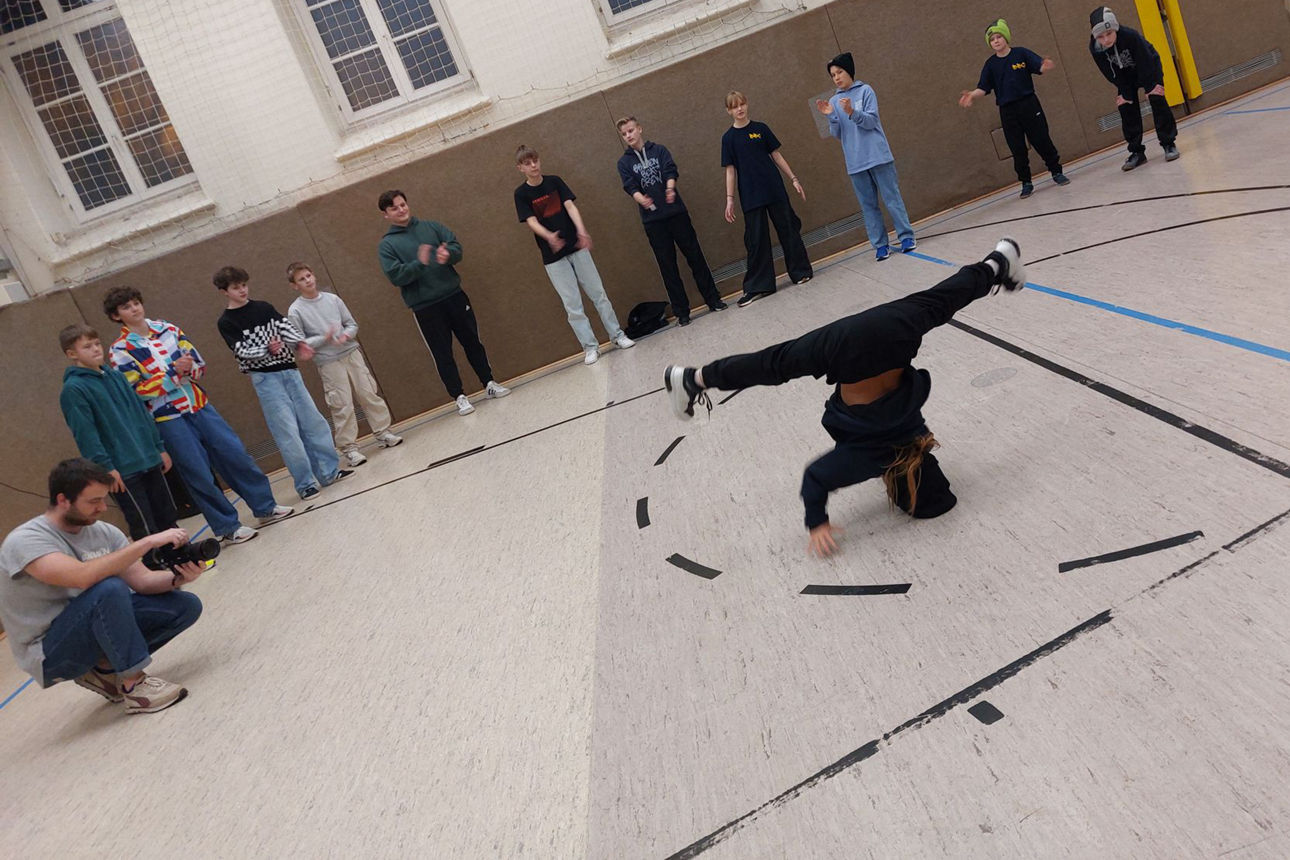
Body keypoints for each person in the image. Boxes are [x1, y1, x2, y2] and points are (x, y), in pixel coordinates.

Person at [663, 238, 1027, 557]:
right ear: (892, 481)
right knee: (773, 364)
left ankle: (996, 263)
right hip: (845, 350)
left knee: (942, 299)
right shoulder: (871, 459)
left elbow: (914, 452)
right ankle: (692, 380)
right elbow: (815, 479)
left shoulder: (915, 433)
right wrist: (816, 524)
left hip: (893, 329)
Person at [0, 459, 204, 714]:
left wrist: (178, 578)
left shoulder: (104, 532)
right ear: (63, 500)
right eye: (93, 501)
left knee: (184, 605)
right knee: (108, 588)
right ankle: (134, 687)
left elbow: (142, 581)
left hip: (88, 625)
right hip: (48, 652)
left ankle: (104, 669)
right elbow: (82, 577)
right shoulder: (26, 540)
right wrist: (145, 543)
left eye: (103, 499)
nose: (102, 508)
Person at [105, 287, 293, 544]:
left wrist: (188, 369)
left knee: (235, 454)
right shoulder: (120, 350)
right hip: (168, 418)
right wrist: (173, 374)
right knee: (198, 473)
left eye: (136, 303)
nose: (135, 309)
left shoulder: (169, 329)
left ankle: (265, 507)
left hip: (199, 405)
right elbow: (137, 390)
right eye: (127, 307)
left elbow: (198, 363)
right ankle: (227, 527)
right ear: (117, 316)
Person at [214, 266, 353, 500]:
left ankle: (329, 472)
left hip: (290, 371)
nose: (242, 291)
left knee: (314, 422)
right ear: (224, 292)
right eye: (236, 288)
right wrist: (267, 349)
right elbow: (241, 352)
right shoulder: (226, 322)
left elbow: (285, 328)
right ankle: (305, 483)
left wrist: (300, 344)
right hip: (266, 379)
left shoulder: (263, 308)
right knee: (287, 432)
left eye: (244, 285)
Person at [376, 190, 510, 415]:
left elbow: (456, 247)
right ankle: (459, 396)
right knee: (442, 352)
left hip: (454, 296)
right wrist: (419, 263)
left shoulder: (431, 227)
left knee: (472, 341)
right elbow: (395, 276)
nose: (401, 210)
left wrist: (448, 253)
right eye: (394, 208)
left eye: (403, 205)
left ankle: (489, 383)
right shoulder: (387, 245)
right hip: (425, 307)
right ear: (386, 214)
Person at [58, 323, 178, 567]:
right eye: (87, 346)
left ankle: (180, 558)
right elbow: (86, 434)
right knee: (142, 522)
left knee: (166, 513)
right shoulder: (74, 389)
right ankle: (155, 567)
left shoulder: (115, 375)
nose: (95, 350)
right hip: (121, 469)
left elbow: (141, 413)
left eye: (97, 343)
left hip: (147, 456)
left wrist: (158, 446)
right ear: (72, 354)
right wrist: (105, 468)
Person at [514, 145, 635, 364]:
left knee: (598, 294)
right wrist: (549, 236)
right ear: (520, 168)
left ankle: (617, 335)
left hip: (576, 247)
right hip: (553, 258)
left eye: (535, 160)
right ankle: (590, 347)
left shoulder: (555, 182)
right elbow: (530, 221)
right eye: (528, 163)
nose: (533, 166)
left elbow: (570, 207)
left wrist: (581, 230)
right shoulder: (521, 194)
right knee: (572, 304)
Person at [286, 262, 403, 466]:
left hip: (351, 353)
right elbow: (299, 343)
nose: (308, 281)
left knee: (368, 393)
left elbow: (351, 324)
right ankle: (349, 448)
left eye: (308, 276)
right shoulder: (296, 310)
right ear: (294, 285)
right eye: (302, 279)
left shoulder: (332, 299)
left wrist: (345, 335)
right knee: (342, 404)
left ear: (313, 275)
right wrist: (325, 337)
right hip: (329, 362)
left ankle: (383, 432)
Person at [614, 116, 727, 326]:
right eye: (624, 133)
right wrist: (642, 199)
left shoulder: (659, 150)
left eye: (630, 130)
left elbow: (670, 170)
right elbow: (630, 187)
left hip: (676, 214)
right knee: (668, 267)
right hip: (653, 222)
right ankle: (682, 312)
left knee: (695, 256)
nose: (628, 135)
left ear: (639, 128)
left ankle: (713, 299)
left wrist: (669, 188)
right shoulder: (624, 162)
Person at [814, 53, 917, 259]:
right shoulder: (834, 100)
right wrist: (831, 116)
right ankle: (880, 245)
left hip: (878, 156)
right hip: (855, 163)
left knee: (892, 198)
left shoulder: (866, 91)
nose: (836, 77)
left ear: (849, 71)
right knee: (868, 206)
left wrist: (852, 111)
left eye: (839, 72)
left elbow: (870, 122)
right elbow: (837, 134)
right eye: (833, 75)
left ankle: (906, 236)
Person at [959, 20, 1071, 198]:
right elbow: (984, 88)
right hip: (1008, 110)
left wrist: (1044, 66)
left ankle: (1056, 171)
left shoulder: (1021, 54)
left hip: (1029, 104)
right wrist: (972, 95)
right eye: (992, 39)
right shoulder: (990, 65)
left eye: (999, 37)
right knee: (1017, 147)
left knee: (1041, 139)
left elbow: (1039, 65)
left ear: (1006, 37)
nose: (996, 41)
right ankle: (1026, 182)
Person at [721, 91, 812, 305]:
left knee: (789, 230)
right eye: (734, 107)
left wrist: (794, 179)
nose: (740, 109)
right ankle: (759, 286)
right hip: (751, 196)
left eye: (742, 104)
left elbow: (776, 155)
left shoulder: (761, 129)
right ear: (729, 111)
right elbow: (730, 170)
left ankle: (800, 272)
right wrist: (730, 199)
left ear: (747, 104)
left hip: (774, 190)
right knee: (756, 240)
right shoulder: (728, 139)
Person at [1088, 6, 1179, 170]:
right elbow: (1109, 72)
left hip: (1148, 66)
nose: (1106, 40)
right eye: (1101, 37)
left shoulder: (1130, 36)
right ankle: (1137, 152)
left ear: (1115, 29)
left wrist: (1151, 87)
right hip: (1124, 76)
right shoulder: (1095, 48)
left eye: (1109, 34)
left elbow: (1146, 61)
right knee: (1125, 106)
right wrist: (1125, 93)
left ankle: (1168, 143)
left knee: (1156, 98)